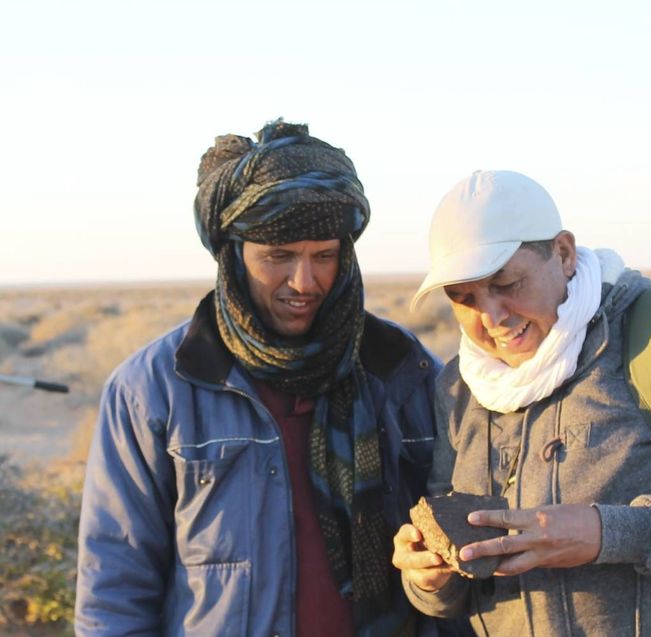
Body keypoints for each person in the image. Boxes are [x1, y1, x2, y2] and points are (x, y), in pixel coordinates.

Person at [392, 170, 651, 635]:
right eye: (464, 299)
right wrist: (429, 577)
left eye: (507, 284)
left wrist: (605, 533)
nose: (493, 317)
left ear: (563, 254)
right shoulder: (461, 387)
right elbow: (454, 594)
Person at [76, 120, 446, 637]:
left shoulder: (401, 368)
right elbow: (114, 589)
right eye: (279, 256)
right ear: (233, 255)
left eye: (324, 256)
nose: (304, 282)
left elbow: (454, 553)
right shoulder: (153, 389)